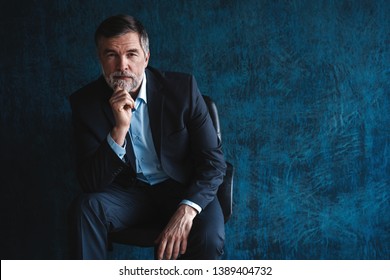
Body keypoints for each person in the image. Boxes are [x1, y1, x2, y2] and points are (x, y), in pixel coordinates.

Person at [68, 14, 226, 260]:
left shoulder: (182, 90)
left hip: (183, 188)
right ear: (100, 59)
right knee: (86, 208)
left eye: (131, 54)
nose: (122, 65)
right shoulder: (85, 104)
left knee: (208, 236)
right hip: (130, 195)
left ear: (146, 57)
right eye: (111, 55)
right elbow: (91, 183)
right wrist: (119, 129)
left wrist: (187, 209)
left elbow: (214, 163)